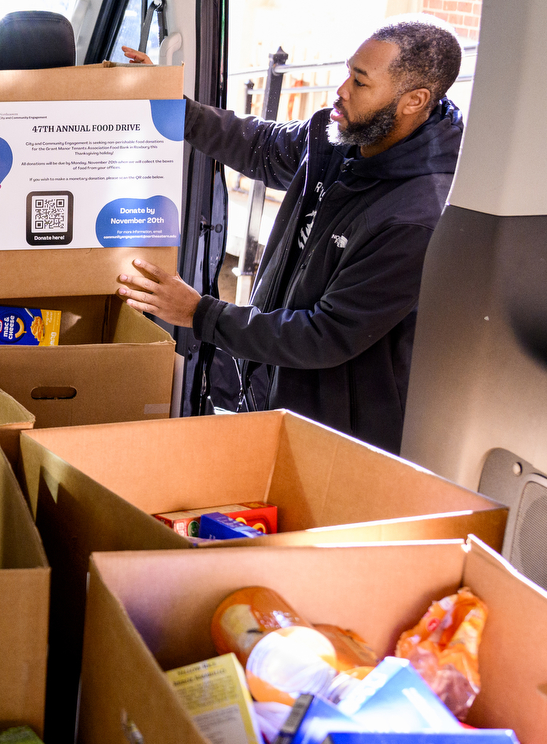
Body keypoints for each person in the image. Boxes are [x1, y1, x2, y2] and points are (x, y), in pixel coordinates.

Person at [118, 18, 464, 453]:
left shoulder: (416, 216)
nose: (341, 89)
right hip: (276, 387)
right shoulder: (339, 136)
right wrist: (176, 108)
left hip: (337, 431)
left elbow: (325, 334)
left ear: (414, 100)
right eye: (347, 71)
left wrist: (200, 313)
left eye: (360, 81)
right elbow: (258, 145)